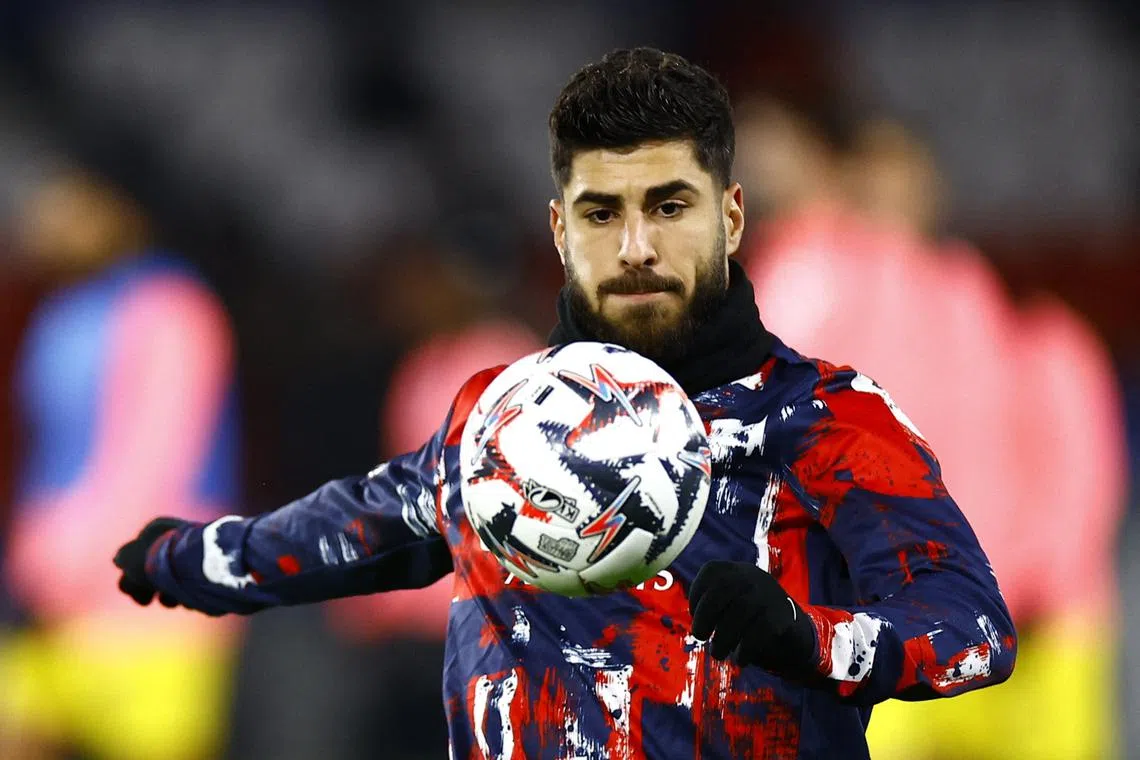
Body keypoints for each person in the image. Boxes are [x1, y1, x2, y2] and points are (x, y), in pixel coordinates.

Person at [113, 48, 1015, 758]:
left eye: (669, 207)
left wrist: (813, 640)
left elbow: (972, 631)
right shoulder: (503, 415)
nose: (634, 247)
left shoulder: (828, 420)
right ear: (559, 229)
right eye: (600, 213)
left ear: (732, 219)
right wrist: (191, 559)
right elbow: (366, 523)